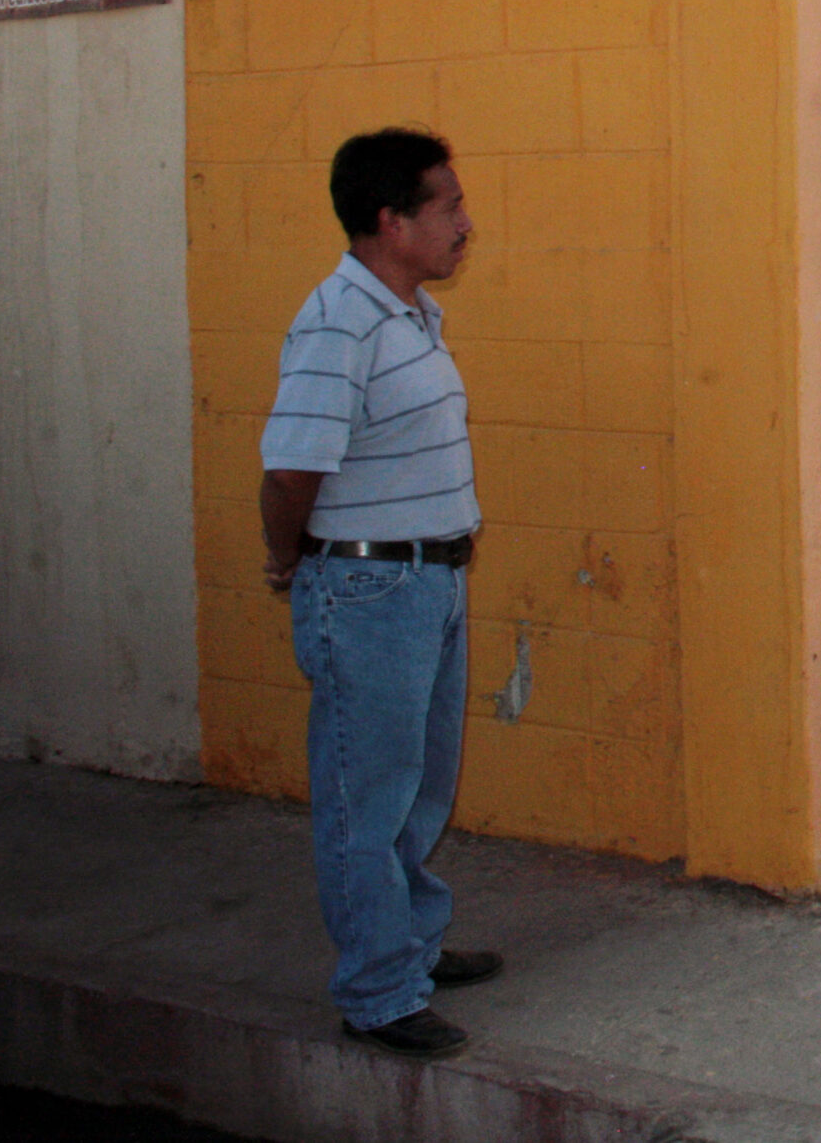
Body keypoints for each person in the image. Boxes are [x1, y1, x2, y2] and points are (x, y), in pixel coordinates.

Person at [261, 129, 497, 1061]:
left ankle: (411, 947)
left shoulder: (405, 314)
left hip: (425, 582)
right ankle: (377, 989)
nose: (464, 224)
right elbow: (289, 474)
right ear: (391, 220)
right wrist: (292, 567)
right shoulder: (341, 322)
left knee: (417, 788)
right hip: (365, 586)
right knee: (369, 796)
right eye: (448, 205)